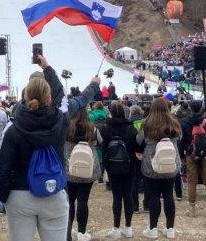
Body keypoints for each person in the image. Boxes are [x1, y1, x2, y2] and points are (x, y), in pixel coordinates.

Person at [0, 75, 69, 241]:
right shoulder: (61, 122)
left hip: (20, 194)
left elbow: (2, 167)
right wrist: (46, 67)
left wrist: (5, 196)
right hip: (53, 192)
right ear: (49, 98)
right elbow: (63, 95)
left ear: (25, 98)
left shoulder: (14, 129)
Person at [137, 97, 181, 239]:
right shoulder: (174, 122)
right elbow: (180, 138)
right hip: (170, 161)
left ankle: (153, 228)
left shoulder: (147, 123)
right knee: (169, 195)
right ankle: (170, 229)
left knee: (154, 195)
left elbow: (139, 140)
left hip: (152, 163)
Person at [100, 100, 139, 238]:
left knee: (116, 197)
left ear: (110, 113)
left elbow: (102, 147)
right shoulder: (131, 128)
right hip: (129, 166)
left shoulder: (105, 128)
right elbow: (138, 147)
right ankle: (128, 228)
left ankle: (116, 228)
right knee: (128, 196)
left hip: (112, 166)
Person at [65, 102, 102, 241]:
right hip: (88, 168)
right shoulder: (93, 130)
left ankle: (67, 233)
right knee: (83, 200)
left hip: (70, 168)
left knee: (70, 201)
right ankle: (82, 232)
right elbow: (100, 142)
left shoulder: (68, 129)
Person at [180, 100, 206, 218]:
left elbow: (182, 141)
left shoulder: (184, 122)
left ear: (190, 108)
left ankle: (192, 210)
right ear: (201, 109)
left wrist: (183, 156)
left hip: (191, 154)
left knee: (192, 182)